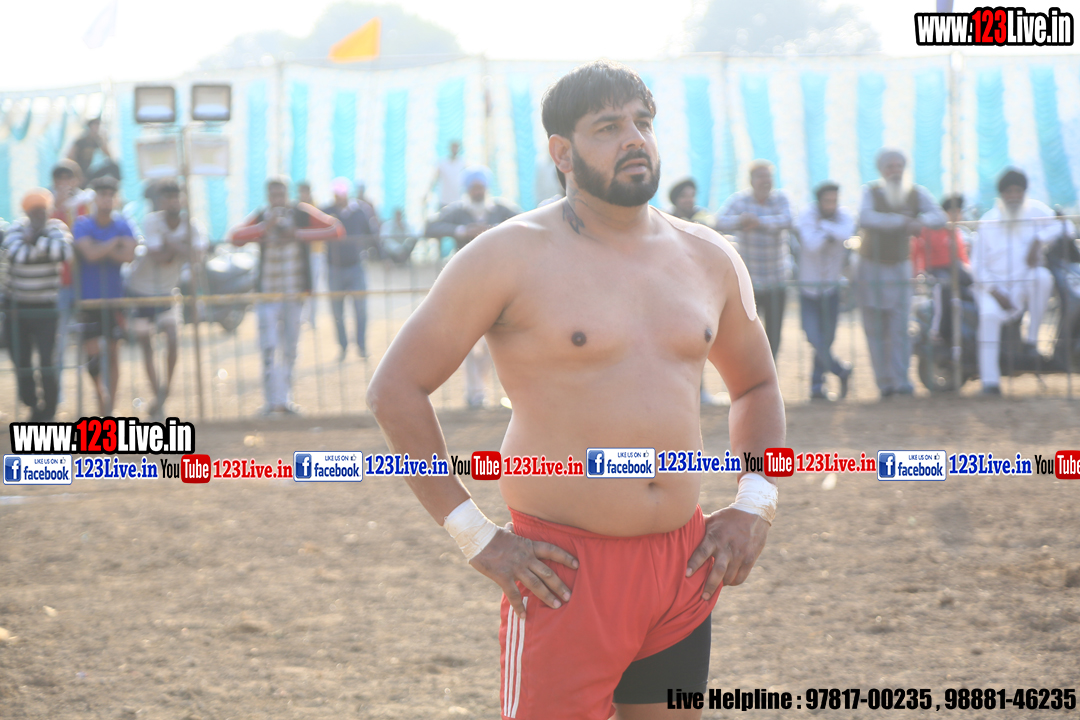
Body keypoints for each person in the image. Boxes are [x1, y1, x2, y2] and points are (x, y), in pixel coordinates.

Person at [368, 60, 784, 720]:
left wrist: (755, 501)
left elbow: (756, 383)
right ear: (562, 153)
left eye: (643, 123)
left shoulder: (709, 255)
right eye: (608, 127)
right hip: (562, 573)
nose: (634, 139)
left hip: (683, 565)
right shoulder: (506, 254)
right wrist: (474, 535)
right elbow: (395, 389)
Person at [229, 177, 344, 415]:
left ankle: (285, 400)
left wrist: (298, 234)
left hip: (294, 293)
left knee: (291, 348)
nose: (278, 200)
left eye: (281, 195)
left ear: (287, 195)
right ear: (268, 197)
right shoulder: (262, 216)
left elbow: (336, 230)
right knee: (269, 348)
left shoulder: (301, 213)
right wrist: (264, 228)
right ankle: (272, 402)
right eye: (274, 196)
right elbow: (235, 237)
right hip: (268, 295)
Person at [425, 166, 521, 407]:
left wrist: (496, 230)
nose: (477, 191)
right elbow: (430, 227)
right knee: (467, 343)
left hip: (498, 283)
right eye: (473, 187)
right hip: (466, 285)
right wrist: (462, 231)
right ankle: (475, 394)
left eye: (481, 186)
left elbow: (526, 222)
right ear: (467, 189)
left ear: (486, 187)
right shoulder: (457, 211)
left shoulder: (500, 209)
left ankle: (484, 391)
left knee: (494, 342)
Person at [857, 148, 946, 398]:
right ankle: (884, 382)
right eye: (890, 167)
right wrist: (901, 222)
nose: (895, 171)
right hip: (871, 267)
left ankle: (901, 380)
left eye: (899, 166)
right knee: (875, 328)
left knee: (900, 327)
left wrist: (921, 222)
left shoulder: (916, 193)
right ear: (881, 170)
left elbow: (938, 216)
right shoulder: (871, 192)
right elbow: (865, 218)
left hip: (900, 266)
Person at [971, 169, 1058, 395]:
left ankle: (1031, 341)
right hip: (992, 289)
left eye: (1018, 191)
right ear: (1001, 194)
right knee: (988, 317)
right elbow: (977, 266)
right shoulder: (988, 221)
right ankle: (990, 383)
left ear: (1024, 192)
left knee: (1042, 276)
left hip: (1022, 285)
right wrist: (995, 291)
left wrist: (1039, 240)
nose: (1013, 196)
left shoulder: (1036, 211)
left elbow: (1064, 226)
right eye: (1009, 191)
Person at [124, 180, 206, 419]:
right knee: (146, 344)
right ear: (160, 202)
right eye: (167, 198)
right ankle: (157, 393)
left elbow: (197, 256)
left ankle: (164, 393)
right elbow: (160, 256)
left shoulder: (192, 225)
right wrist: (181, 247)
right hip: (141, 292)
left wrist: (170, 243)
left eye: (175, 197)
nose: (172, 202)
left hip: (167, 291)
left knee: (172, 339)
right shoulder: (152, 221)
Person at [2, 189, 74, 421]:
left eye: (42, 211)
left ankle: (49, 409)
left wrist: (34, 241)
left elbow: (63, 252)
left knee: (47, 361)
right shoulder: (16, 229)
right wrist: (43, 247)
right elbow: (16, 255)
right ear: (27, 213)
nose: (39, 215)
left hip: (46, 307)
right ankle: (31, 401)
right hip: (18, 307)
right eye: (34, 211)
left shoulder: (57, 228)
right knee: (20, 359)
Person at [73, 176, 138, 415]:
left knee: (113, 353)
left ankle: (109, 406)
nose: (107, 199)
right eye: (102, 194)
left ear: (116, 198)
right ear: (94, 198)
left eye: (111, 194)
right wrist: (113, 244)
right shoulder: (82, 224)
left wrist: (100, 247)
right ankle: (101, 394)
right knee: (93, 358)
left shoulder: (124, 224)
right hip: (89, 300)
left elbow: (129, 255)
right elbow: (89, 254)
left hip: (114, 299)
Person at [715, 161, 792, 359]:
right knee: (747, 333)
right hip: (749, 282)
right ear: (751, 180)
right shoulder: (739, 201)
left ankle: (770, 371)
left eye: (768, 176)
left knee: (774, 334)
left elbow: (789, 219)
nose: (765, 181)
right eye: (761, 176)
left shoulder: (781, 199)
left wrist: (758, 222)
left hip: (777, 281)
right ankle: (750, 372)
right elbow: (719, 221)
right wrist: (740, 221)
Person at [795, 181, 856, 400]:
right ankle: (840, 370)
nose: (831, 205)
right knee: (813, 337)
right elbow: (812, 244)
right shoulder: (807, 214)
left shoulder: (844, 215)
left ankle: (816, 386)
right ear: (819, 201)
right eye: (827, 201)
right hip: (809, 289)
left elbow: (846, 233)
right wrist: (831, 232)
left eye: (834, 200)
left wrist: (823, 227)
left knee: (826, 339)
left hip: (831, 288)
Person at [667, 177, 717, 405]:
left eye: (691, 195)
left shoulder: (702, 217)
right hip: (670, 290)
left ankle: (699, 389)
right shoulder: (663, 218)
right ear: (675, 199)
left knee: (697, 340)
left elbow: (706, 233)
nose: (689, 200)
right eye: (684, 196)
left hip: (697, 290)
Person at [50, 160, 94, 399]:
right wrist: (56, 205)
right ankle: (57, 394)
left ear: (77, 180)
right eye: (60, 178)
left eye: (68, 178)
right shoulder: (47, 207)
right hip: (61, 283)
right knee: (58, 340)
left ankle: (99, 392)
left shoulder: (88, 202)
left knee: (94, 339)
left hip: (87, 281)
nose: (64, 183)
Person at [322, 177, 372, 361]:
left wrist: (383, 257)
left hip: (356, 267)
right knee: (337, 312)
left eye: (341, 193)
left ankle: (361, 346)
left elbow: (372, 233)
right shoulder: (326, 212)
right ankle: (342, 347)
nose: (339, 197)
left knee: (360, 310)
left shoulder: (360, 211)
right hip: (334, 269)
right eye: (336, 194)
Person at [912, 194, 972, 343]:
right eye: (953, 212)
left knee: (970, 282)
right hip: (933, 269)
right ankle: (937, 330)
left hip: (953, 268)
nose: (956, 216)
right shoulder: (928, 230)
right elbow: (916, 252)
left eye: (958, 212)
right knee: (943, 287)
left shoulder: (954, 231)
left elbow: (961, 256)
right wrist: (916, 274)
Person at [67, 118, 120, 186]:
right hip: (79, 173)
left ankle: (116, 187)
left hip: (88, 173)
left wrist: (103, 140)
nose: (97, 127)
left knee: (113, 166)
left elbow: (109, 156)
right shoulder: (81, 140)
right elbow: (70, 157)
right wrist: (78, 175)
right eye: (95, 124)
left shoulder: (96, 140)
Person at [430, 140, 465, 209]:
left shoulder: (463, 163)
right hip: (444, 200)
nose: (454, 149)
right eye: (453, 147)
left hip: (458, 200)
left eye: (456, 147)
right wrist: (428, 192)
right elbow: (435, 178)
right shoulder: (443, 163)